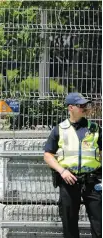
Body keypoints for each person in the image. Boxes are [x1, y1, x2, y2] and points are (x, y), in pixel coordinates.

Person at [44, 92, 102, 238]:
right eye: (81, 105)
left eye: (85, 105)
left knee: (100, 224)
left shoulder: (94, 128)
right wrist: (62, 171)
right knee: (69, 224)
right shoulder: (59, 129)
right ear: (71, 108)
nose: (85, 107)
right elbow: (48, 155)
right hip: (69, 180)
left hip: (93, 181)